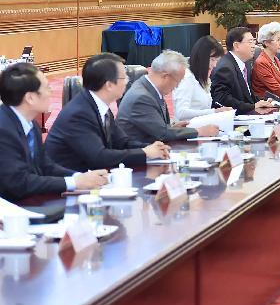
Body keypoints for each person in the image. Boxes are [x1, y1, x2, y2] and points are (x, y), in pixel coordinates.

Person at [45, 53, 170, 172]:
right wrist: (145, 153)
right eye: (124, 77)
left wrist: (151, 147)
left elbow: (122, 143)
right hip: (65, 186)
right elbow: (99, 157)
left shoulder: (100, 106)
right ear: (109, 85)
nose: (127, 81)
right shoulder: (79, 113)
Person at [0, 63, 107, 201]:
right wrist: (74, 183)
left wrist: (79, 177)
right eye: (47, 87)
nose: (51, 92)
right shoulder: (4, 130)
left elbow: (45, 166)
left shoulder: (30, 122)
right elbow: (19, 182)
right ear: (30, 98)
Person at [118, 51, 220, 143]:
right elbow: (162, 134)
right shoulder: (141, 97)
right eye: (178, 81)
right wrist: (199, 131)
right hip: (139, 154)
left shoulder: (150, 89)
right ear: (165, 76)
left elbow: (157, 128)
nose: (177, 86)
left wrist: (172, 128)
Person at [210, 27, 277, 115]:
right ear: (236, 46)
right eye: (250, 42)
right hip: (233, 118)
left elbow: (247, 95)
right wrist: (253, 106)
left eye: (254, 41)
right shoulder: (225, 68)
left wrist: (263, 101)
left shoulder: (246, 64)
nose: (254, 45)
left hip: (247, 115)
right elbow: (222, 99)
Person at [173, 35, 234, 121]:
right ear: (202, 57)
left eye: (217, 60)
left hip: (202, 126)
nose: (215, 65)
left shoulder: (202, 77)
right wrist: (214, 112)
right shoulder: (186, 78)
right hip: (188, 129)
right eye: (213, 60)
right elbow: (181, 113)